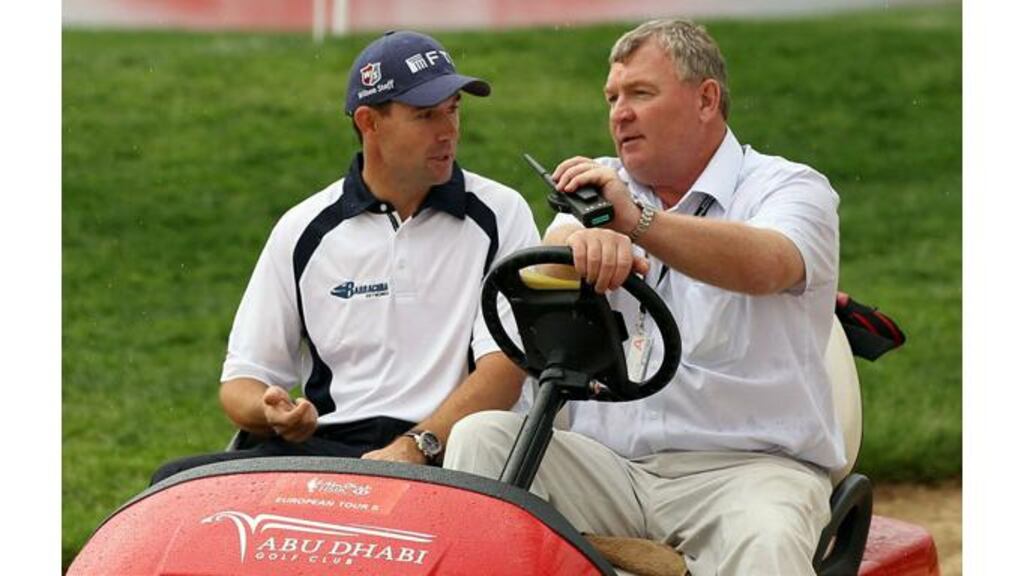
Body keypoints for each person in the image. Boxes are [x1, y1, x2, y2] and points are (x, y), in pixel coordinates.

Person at [444, 19, 841, 576]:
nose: (619, 113)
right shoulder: (602, 184)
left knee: (769, 539)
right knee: (481, 438)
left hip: (747, 471)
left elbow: (768, 264)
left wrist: (637, 224)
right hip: (610, 469)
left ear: (706, 99)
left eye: (640, 94)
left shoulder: (789, 187)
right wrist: (581, 243)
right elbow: (552, 256)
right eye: (612, 97)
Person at [151, 30, 538, 484]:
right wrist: (270, 410)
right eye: (426, 115)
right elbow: (242, 381)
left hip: (450, 453)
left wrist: (416, 446)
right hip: (329, 454)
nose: (448, 131)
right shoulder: (302, 229)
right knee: (173, 483)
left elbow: (505, 370)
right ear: (369, 122)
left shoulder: (501, 213)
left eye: (453, 110)